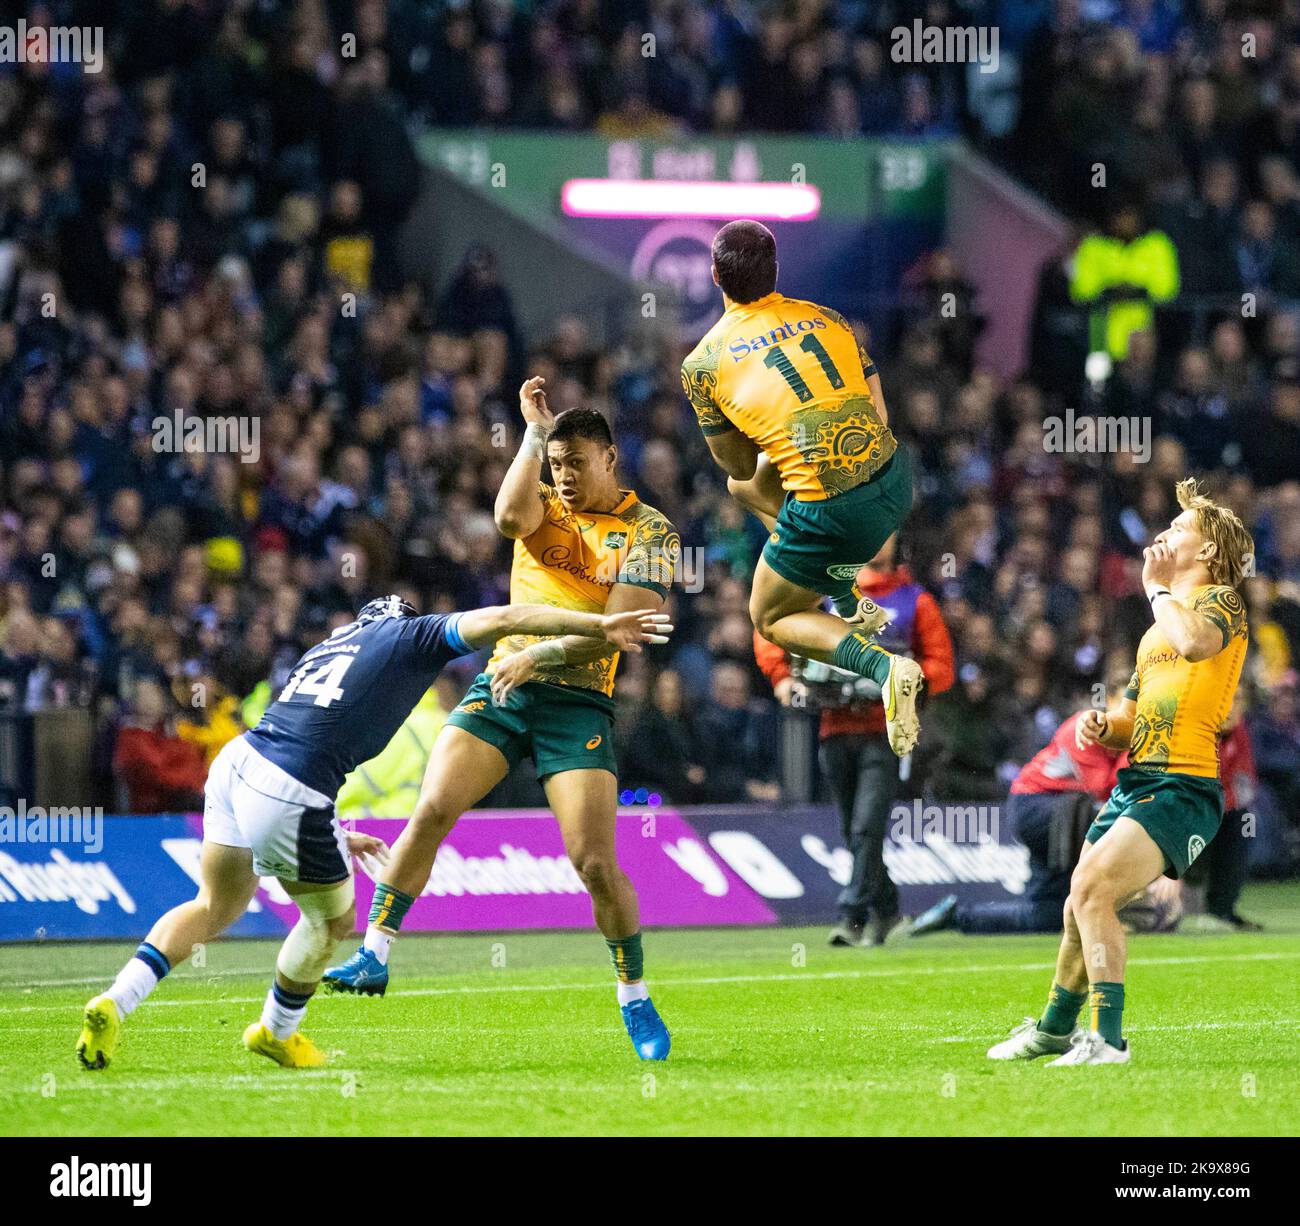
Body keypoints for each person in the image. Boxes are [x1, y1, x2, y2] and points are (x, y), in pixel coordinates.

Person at [75, 595, 670, 1071]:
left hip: (240, 764)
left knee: (212, 905)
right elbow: (510, 617)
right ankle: (276, 1034)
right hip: (293, 791)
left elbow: (311, 738)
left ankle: (115, 1000)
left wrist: (328, 831)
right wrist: (597, 624)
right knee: (330, 923)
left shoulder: (332, 644)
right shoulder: (410, 636)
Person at [325, 379, 680, 1062]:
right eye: (557, 464)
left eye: (578, 462)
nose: (566, 476)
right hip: (504, 684)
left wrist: (544, 651)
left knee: (593, 862)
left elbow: (624, 627)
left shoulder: (650, 530)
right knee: (431, 808)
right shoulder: (541, 503)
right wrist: (531, 433)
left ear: (610, 458)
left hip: (575, 698)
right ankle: (374, 954)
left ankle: (634, 998)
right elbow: (510, 520)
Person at [988, 479, 1252, 1066]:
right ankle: (1055, 1029)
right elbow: (1131, 715)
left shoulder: (1220, 603)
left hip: (1183, 786)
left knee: (1093, 890)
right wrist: (1102, 727)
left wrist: (1157, 588)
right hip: (1138, 781)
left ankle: (1108, 1039)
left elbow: (1193, 645)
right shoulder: (1154, 629)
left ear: (1207, 553)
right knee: (1076, 903)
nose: (1166, 531)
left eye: (1181, 528)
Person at [680, 219, 924, 757]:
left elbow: (740, 463)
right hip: (896, 481)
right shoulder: (826, 316)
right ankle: (845, 594)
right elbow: (876, 405)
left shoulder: (702, 364)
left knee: (769, 616)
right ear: (776, 271)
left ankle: (885, 668)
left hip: (835, 514)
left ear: (715, 274)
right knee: (757, 493)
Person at [755, 532, 954, 947]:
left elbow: (942, 666)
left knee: (866, 827)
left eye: (885, 536)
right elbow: (772, 625)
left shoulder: (915, 600)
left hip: (886, 733)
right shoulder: (823, 592)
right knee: (853, 829)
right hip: (833, 727)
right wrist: (783, 677)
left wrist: (910, 679)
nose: (876, 542)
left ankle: (852, 915)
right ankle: (887, 909)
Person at [908, 710, 1124, 937]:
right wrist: (1130, 756)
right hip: (1035, 805)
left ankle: (956, 916)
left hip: (1048, 811)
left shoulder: (1110, 738)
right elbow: (1103, 788)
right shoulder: (1083, 726)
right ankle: (1118, 901)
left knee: (1047, 915)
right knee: (1098, 816)